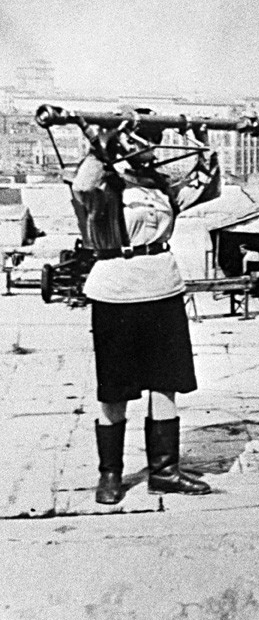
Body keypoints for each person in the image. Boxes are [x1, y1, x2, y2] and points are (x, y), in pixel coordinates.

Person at [71, 121, 220, 505]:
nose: (153, 147)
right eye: (144, 141)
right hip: (117, 291)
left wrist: (202, 142)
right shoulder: (107, 183)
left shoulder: (159, 186)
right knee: (115, 387)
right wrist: (101, 148)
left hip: (163, 288)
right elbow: (82, 187)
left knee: (165, 378)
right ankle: (110, 474)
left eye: (155, 140)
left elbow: (206, 186)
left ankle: (164, 471)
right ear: (125, 144)